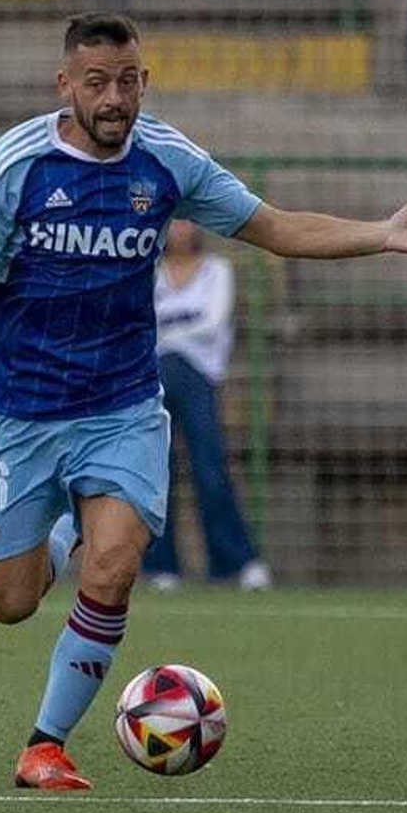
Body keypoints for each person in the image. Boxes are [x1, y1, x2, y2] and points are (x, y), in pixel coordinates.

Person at [0, 12, 407, 791]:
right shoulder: (18, 163)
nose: (113, 98)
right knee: (11, 603)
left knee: (116, 567)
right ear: (65, 85)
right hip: (18, 406)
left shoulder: (168, 160)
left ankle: (45, 746)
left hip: (120, 403)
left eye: (128, 81)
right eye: (96, 83)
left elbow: (274, 227)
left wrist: (382, 234)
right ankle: (66, 525)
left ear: (144, 82)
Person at [141, 219, 269, 592]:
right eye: (174, 221)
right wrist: (174, 329)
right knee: (156, 472)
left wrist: (167, 329)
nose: (181, 229)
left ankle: (237, 562)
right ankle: (162, 566)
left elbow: (212, 322)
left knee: (210, 470)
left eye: (188, 221)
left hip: (199, 376)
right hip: (155, 378)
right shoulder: (150, 272)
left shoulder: (217, 270)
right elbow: (141, 324)